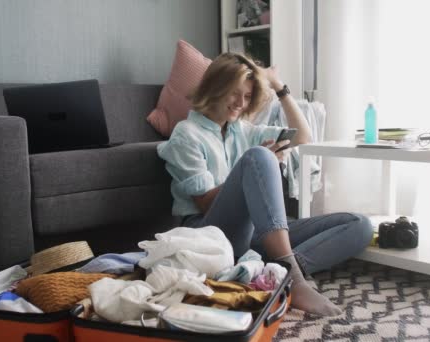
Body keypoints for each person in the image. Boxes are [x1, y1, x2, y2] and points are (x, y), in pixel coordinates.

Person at [157, 52, 373, 317]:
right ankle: (294, 278)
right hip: (207, 232)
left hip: (255, 233)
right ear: (215, 88)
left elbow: (302, 137)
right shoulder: (186, 134)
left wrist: (279, 87)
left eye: (247, 96)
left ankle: (275, 271)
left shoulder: (240, 129)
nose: (240, 103)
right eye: (234, 93)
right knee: (258, 157)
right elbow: (204, 204)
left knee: (360, 225)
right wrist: (257, 165)